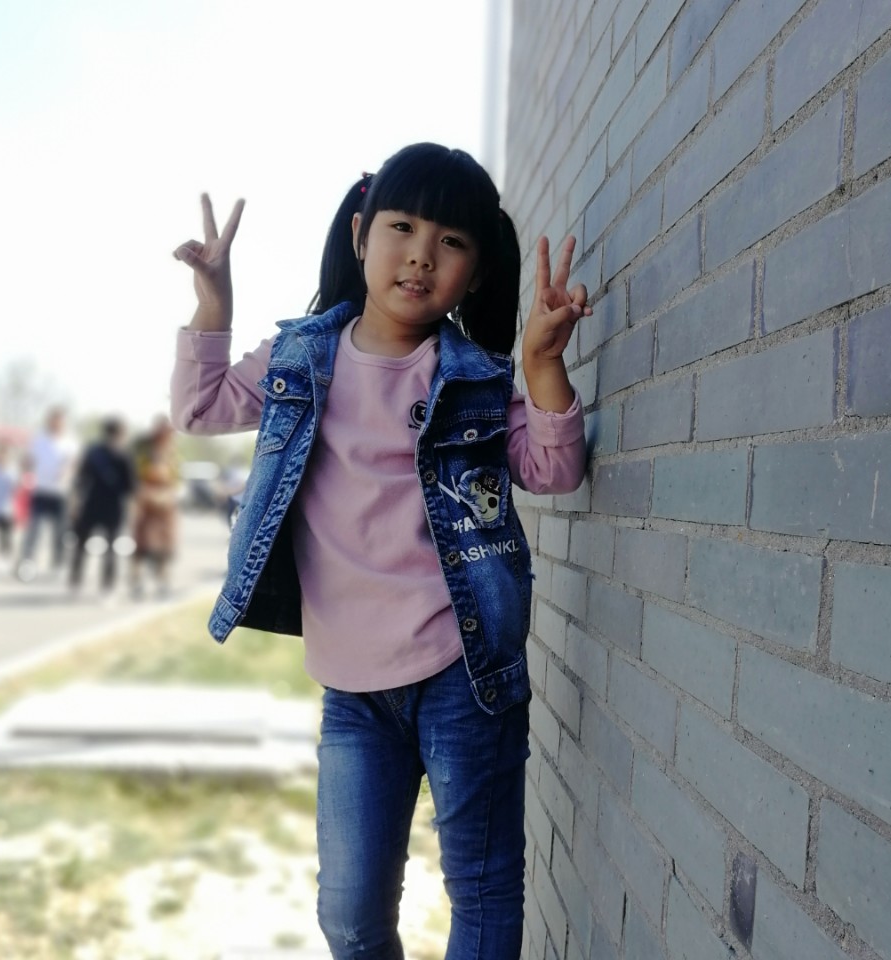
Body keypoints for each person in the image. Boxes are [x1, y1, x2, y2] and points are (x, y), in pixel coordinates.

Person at [169, 143, 591, 960]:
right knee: (351, 917)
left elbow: (554, 468)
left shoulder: (472, 379)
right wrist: (214, 302)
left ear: (474, 270)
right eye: (403, 227)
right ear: (362, 234)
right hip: (353, 688)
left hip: (464, 672)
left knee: (482, 887)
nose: (421, 255)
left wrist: (543, 363)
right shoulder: (300, 359)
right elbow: (200, 406)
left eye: (451, 241)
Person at [67, 417, 135, 598]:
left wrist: (75, 502)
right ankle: (104, 586)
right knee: (106, 547)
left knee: (86, 545)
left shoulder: (95, 452)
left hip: (95, 503)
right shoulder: (123, 454)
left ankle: (78, 582)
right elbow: (131, 487)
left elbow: (81, 480)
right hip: (109, 506)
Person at [17, 407, 79, 578]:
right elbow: (27, 460)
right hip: (41, 490)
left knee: (60, 532)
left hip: (60, 493)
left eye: (60, 420)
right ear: (49, 421)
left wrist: (67, 473)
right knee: (34, 529)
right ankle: (27, 562)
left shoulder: (70, 442)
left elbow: (73, 464)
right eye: (54, 420)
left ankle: (58, 564)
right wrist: (24, 474)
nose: (57, 423)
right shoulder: (39, 440)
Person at [129, 414, 181, 599]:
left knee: (165, 547)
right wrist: (146, 495)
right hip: (146, 504)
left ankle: (163, 582)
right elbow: (135, 477)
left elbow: (175, 479)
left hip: (165, 506)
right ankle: (136, 582)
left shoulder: (172, 452)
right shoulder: (144, 451)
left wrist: (170, 494)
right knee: (142, 546)